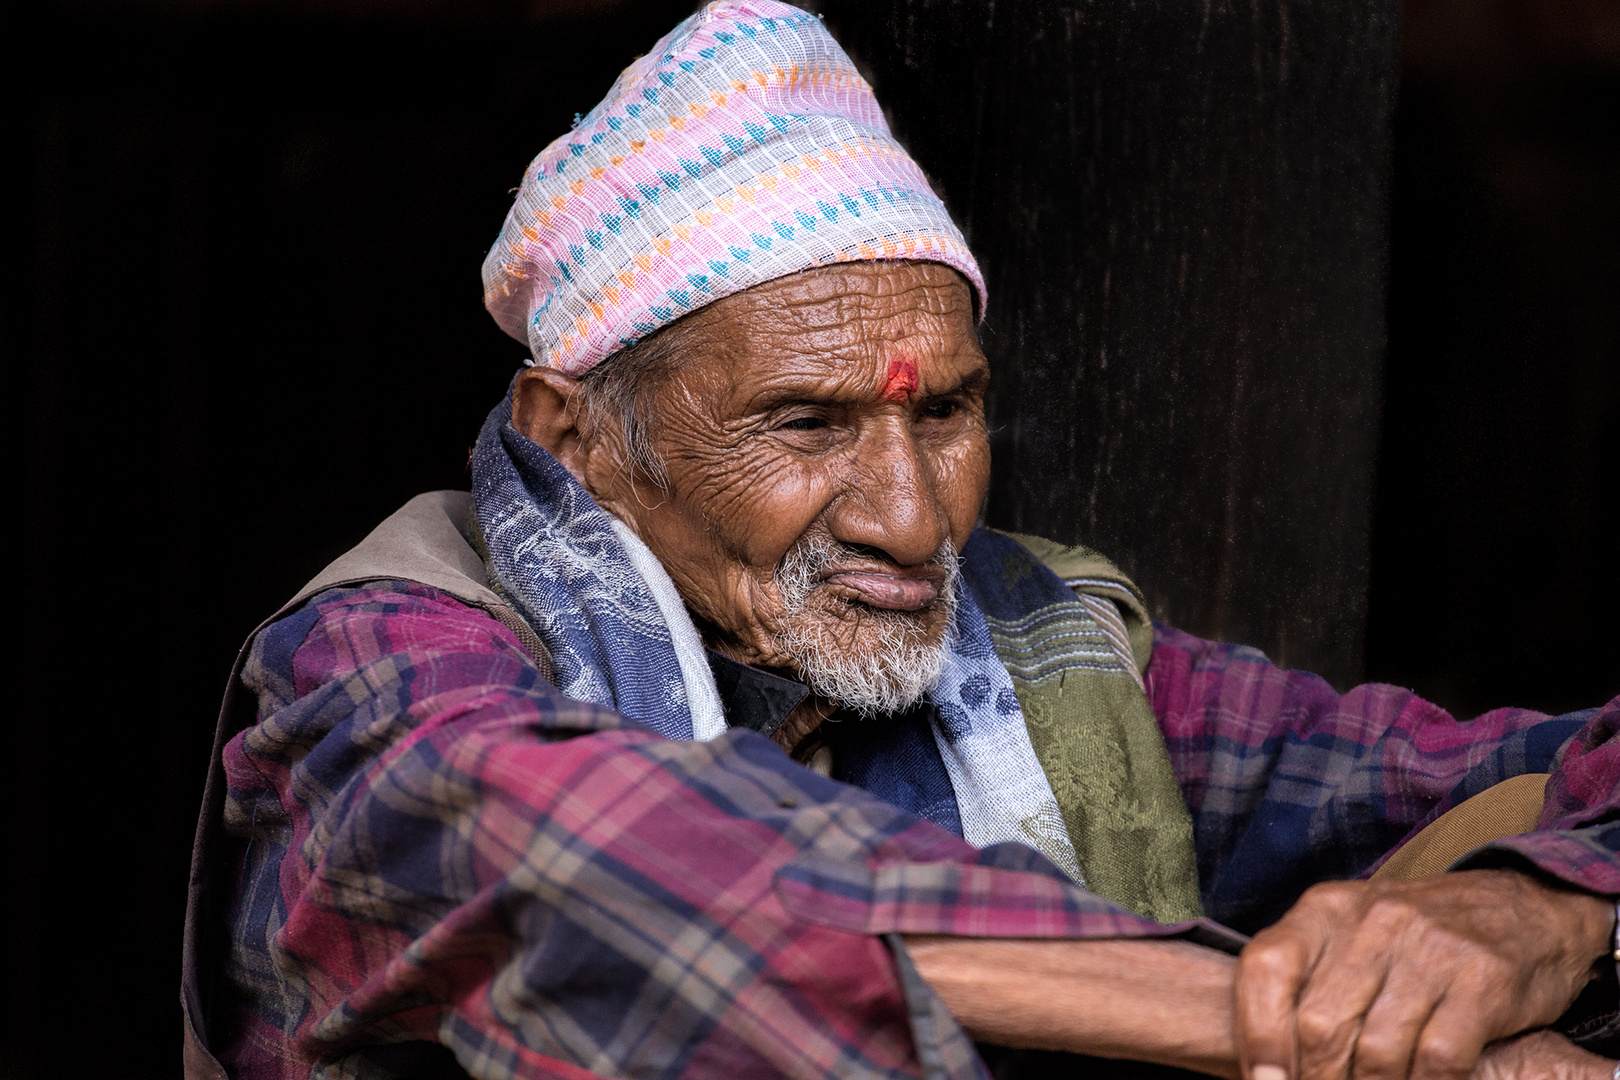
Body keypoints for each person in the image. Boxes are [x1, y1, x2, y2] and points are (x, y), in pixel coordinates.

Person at [181, 3, 1620, 1078]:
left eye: (947, 414)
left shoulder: (1043, 650)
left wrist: (1536, 912)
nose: (912, 518)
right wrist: (1330, 1035)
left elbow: (1554, 774)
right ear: (572, 434)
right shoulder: (385, 655)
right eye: (806, 425)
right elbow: (590, 863)